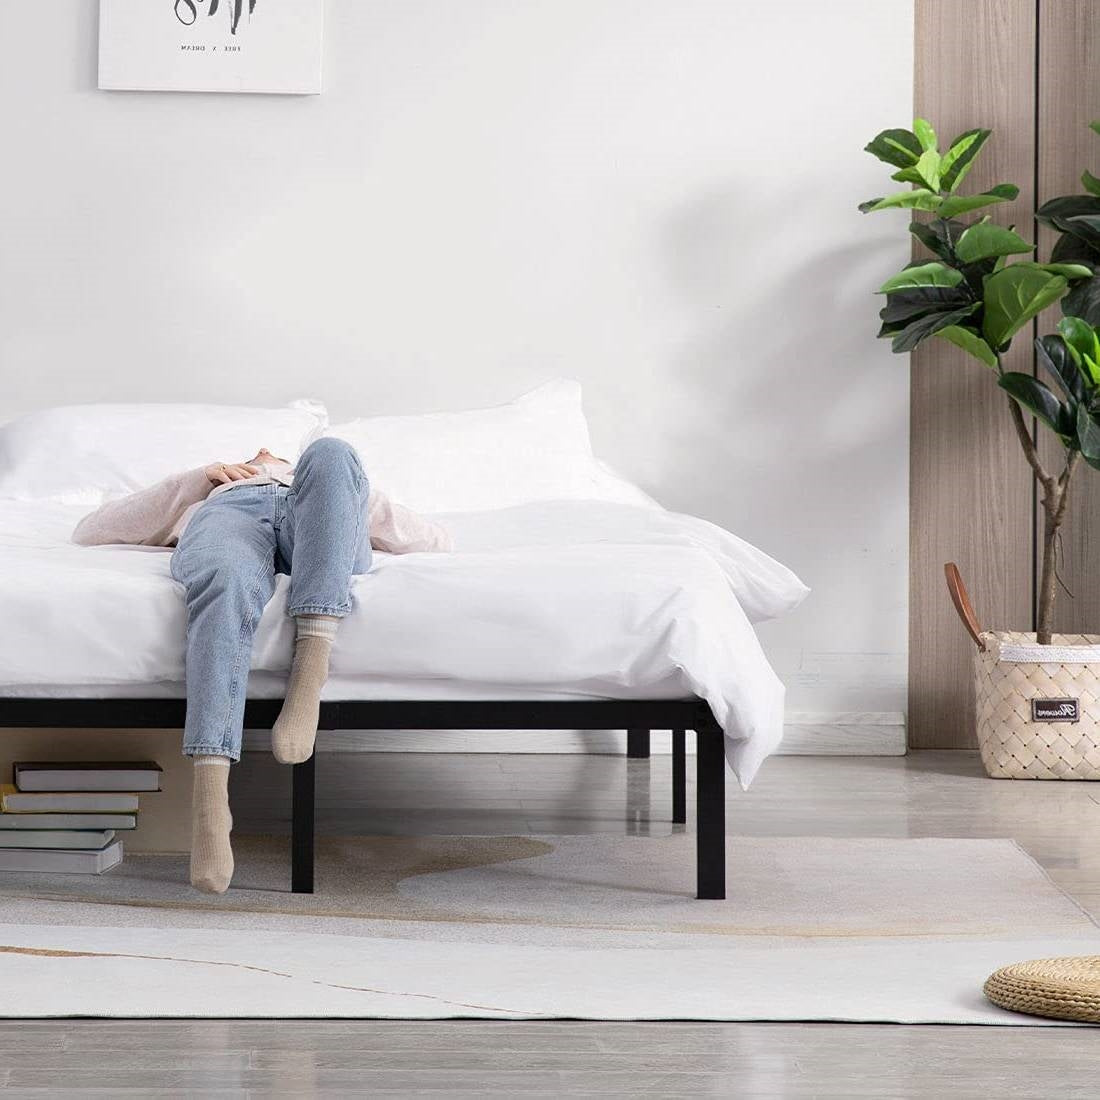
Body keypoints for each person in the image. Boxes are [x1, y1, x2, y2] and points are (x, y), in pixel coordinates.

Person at [72, 437, 451, 893]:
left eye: (275, 455)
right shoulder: (212, 491)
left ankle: (308, 673)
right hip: (230, 519)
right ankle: (211, 804)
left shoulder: (319, 478)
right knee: (224, 579)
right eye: (256, 455)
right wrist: (201, 479)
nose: (265, 452)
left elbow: (437, 539)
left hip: (314, 521)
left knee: (332, 450)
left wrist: (344, 492)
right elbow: (91, 530)